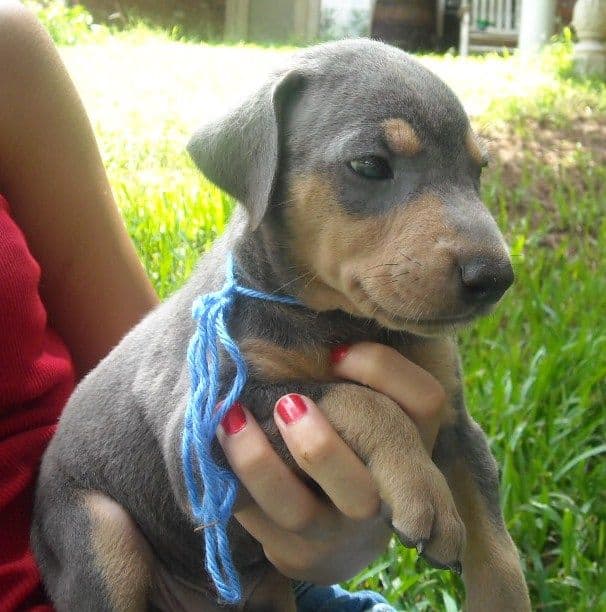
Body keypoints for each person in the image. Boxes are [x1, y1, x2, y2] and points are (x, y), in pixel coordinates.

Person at [0, 3, 445, 610]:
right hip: (88, 563)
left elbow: (168, 376)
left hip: (247, 573)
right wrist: (365, 424)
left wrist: (322, 533)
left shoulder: (8, 52)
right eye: (370, 167)